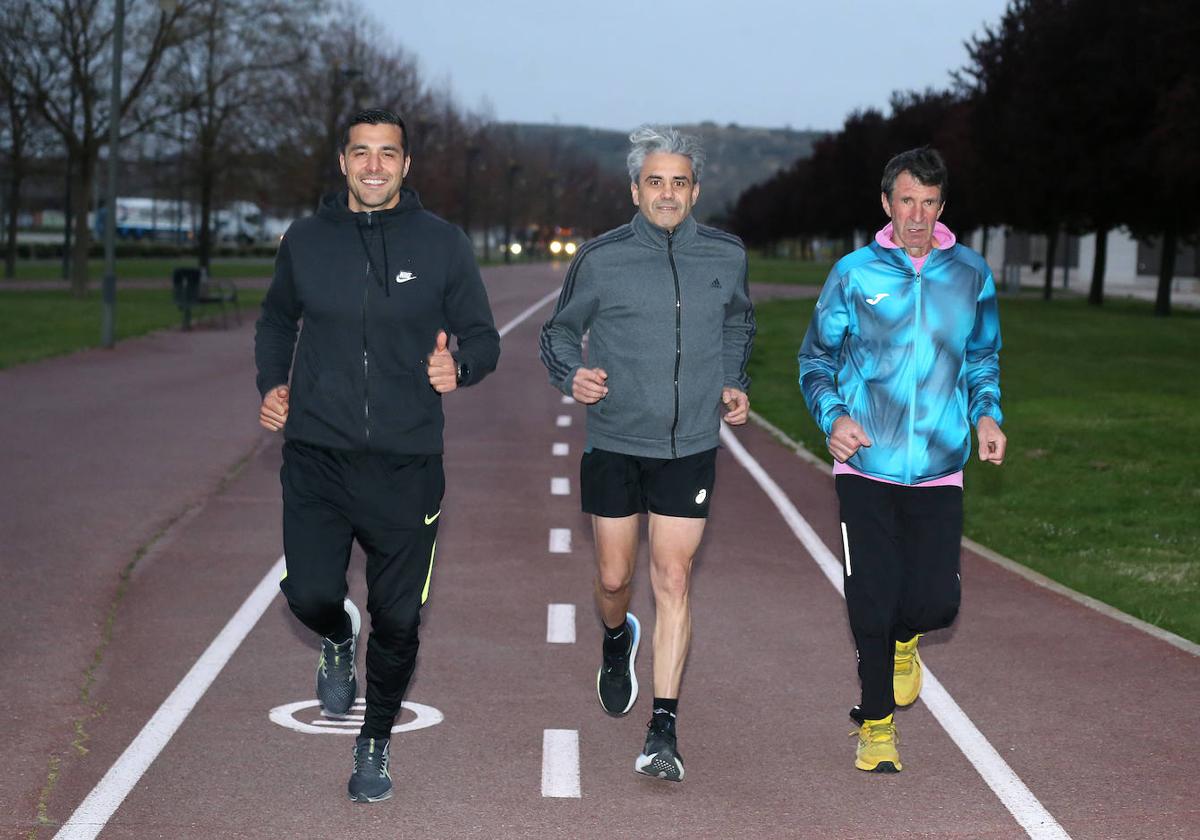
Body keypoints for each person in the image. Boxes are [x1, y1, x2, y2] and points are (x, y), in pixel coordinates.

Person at [255, 107, 500, 802]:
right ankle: (337, 633)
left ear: (405, 164)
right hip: (316, 455)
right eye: (360, 152)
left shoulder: (443, 244)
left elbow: (483, 336)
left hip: (406, 463)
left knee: (399, 621)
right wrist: (273, 383)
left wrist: (464, 369)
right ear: (342, 161)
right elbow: (276, 319)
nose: (373, 165)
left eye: (386, 153)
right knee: (309, 595)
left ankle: (375, 743)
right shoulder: (305, 241)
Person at [539, 125, 755, 782]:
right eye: (655, 181)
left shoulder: (725, 255)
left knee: (673, 578)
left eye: (679, 182)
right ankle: (614, 638)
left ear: (695, 190)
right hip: (614, 441)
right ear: (636, 189)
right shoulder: (601, 259)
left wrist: (733, 379)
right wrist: (571, 376)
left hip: (689, 444)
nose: (667, 193)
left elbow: (739, 321)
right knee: (613, 580)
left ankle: (663, 727)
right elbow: (558, 333)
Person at [798, 147, 1006, 773]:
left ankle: (907, 643)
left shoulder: (970, 274)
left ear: (943, 207)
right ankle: (877, 726)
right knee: (872, 597)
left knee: (935, 604)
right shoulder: (855, 274)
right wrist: (834, 418)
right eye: (906, 201)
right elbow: (815, 362)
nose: (917, 216)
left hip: (940, 465)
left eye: (930, 202)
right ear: (886, 204)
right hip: (866, 464)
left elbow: (982, 357)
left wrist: (986, 413)